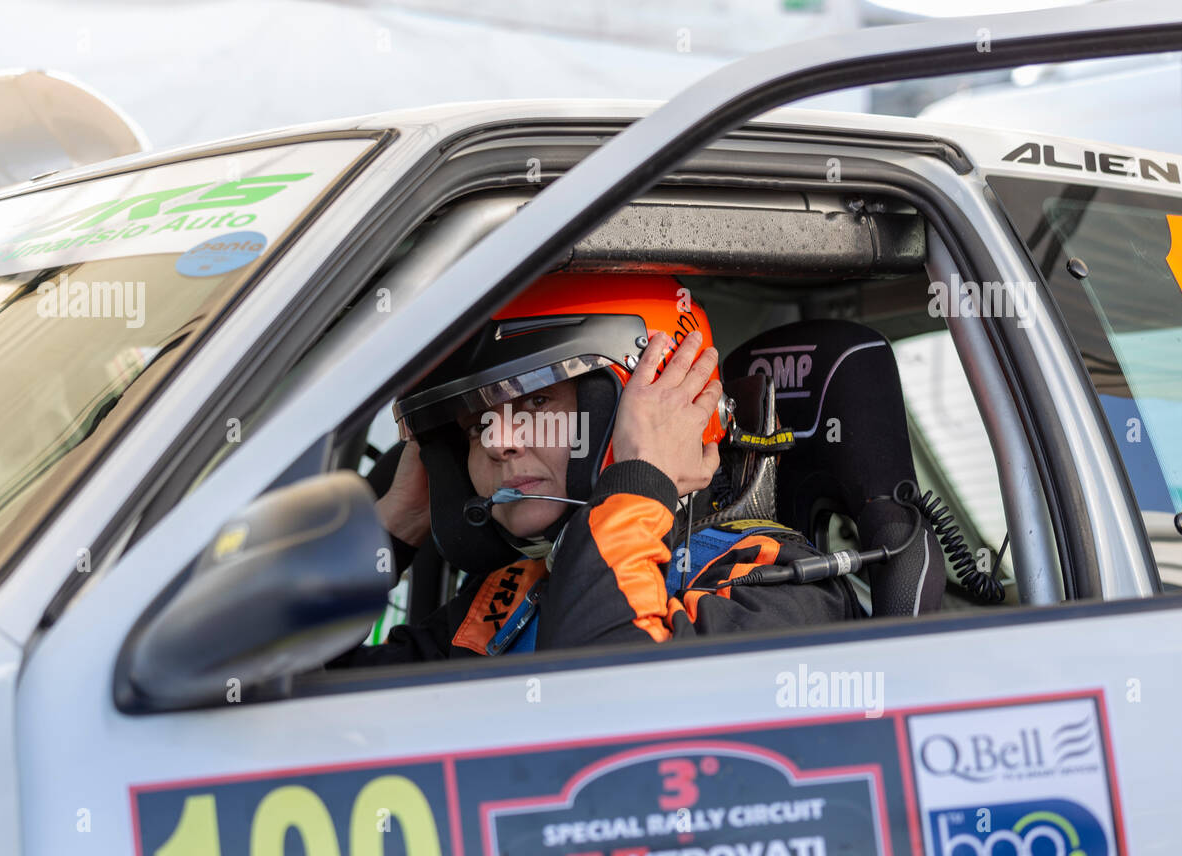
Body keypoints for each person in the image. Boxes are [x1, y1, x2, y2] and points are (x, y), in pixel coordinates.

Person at [329, 273, 860, 667]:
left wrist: (637, 475)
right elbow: (300, 699)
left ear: (662, 403)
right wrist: (393, 530)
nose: (497, 442)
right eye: (474, 426)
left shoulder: (779, 589)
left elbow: (609, 707)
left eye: (535, 403)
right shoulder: (506, 599)